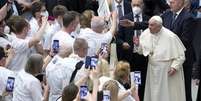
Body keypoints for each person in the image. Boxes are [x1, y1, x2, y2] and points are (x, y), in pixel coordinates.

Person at [135, 16, 186, 101]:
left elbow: (181, 56)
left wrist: (174, 67)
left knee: (167, 95)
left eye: (152, 25)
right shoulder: (146, 33)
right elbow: (141, 52)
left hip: (166, 71)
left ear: (159, 26)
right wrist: (138, 45)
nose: (149, 27)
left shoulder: (170, 36)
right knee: (153, 94)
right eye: (149, 25)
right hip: (152, 70)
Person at [161, 0, 195, 100]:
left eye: (172, 2)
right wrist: (134, 24)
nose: (169, 4)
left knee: (185, 88)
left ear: (180, 3)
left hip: (184, 59)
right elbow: (153, 24)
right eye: (169, 2)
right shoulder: (167, 14)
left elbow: (185, 40)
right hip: (170, 58)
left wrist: (166, 44)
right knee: (174, 89)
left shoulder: (188, 18)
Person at [116, 0, 149, 99]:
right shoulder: (124, 19)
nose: (136, 7)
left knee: (141, 82)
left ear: (142, 5)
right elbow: (117, 38)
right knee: (128, 82)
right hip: (128, 57)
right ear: (130, 5)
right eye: (134, 5)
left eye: (138, 5)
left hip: (143, 57)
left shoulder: (148, 20)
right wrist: (122, 43)